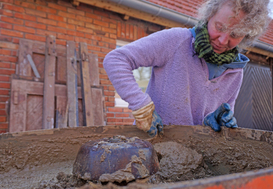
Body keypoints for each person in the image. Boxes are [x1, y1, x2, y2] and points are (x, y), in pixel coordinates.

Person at [103, 0, 271, 137]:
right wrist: (141, 105)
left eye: (234, 35)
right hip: (152, 146)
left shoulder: (235, 71)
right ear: (209, 16)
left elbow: (218, 118)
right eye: (219, 27)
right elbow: (116, 59)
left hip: (194, 156)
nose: (222, 40)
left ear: (247, 35)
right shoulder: (176, 41)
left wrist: (215, 121)